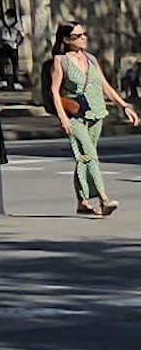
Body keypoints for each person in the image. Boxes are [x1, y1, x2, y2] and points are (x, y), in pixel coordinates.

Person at [48, 19, 135, 217]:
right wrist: (63, 118)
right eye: (78, 36)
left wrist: (124, 106)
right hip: (75, 117)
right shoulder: (60, 61)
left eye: (84, 34)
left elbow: (105, 86)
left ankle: (82, 202)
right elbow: (54, 91)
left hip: (97, 114)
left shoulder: (91, 59)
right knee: (90, 156)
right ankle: (104, 199)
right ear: (66, 39)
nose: (83, 38)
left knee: (84, 158)